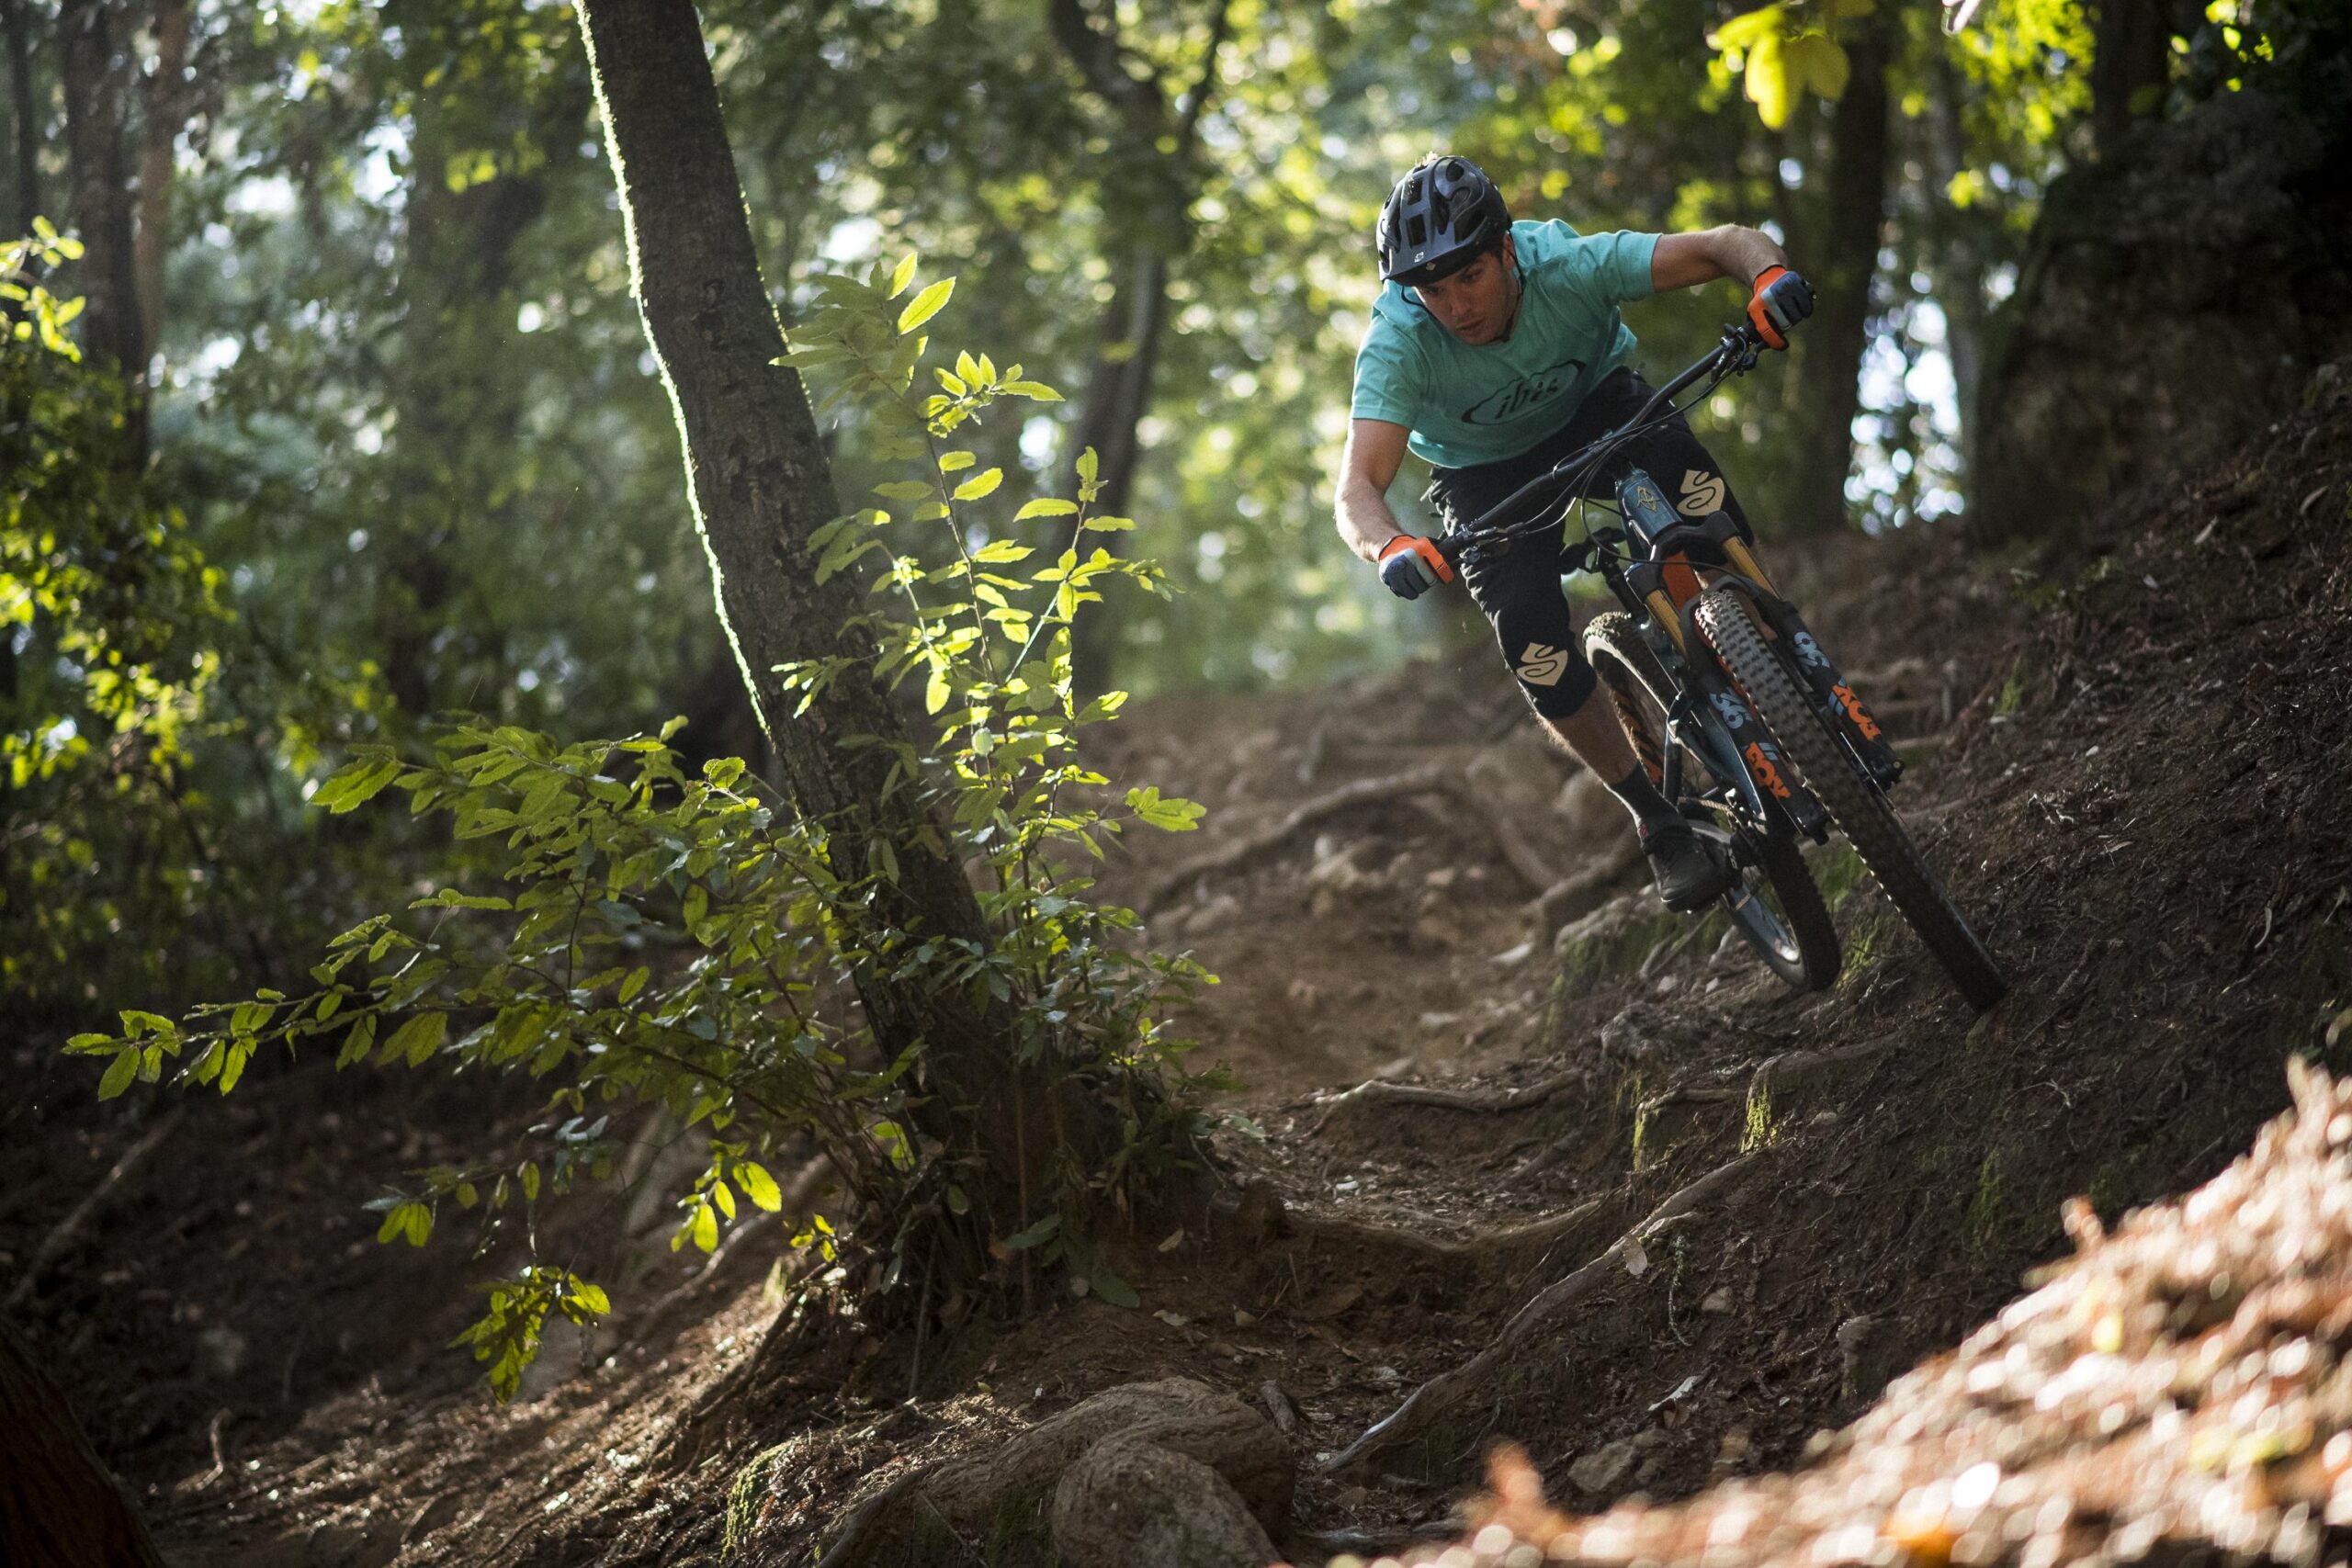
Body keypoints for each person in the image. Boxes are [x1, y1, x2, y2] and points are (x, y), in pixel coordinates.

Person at [1334, 154, 1815, 911]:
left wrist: (1768, 279)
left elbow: (1727, 241)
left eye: (1471, 277)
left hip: (1600, 405)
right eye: (1434, 289)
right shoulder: (1399, 343)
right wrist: (1389, 545)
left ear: (1507, 252)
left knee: (1696, 494)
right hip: (1484, 475)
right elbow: (1358, 488)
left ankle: (1774, 660)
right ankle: (1657, 822)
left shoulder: (1566, 262)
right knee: (1529, 634)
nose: (1457, 306)